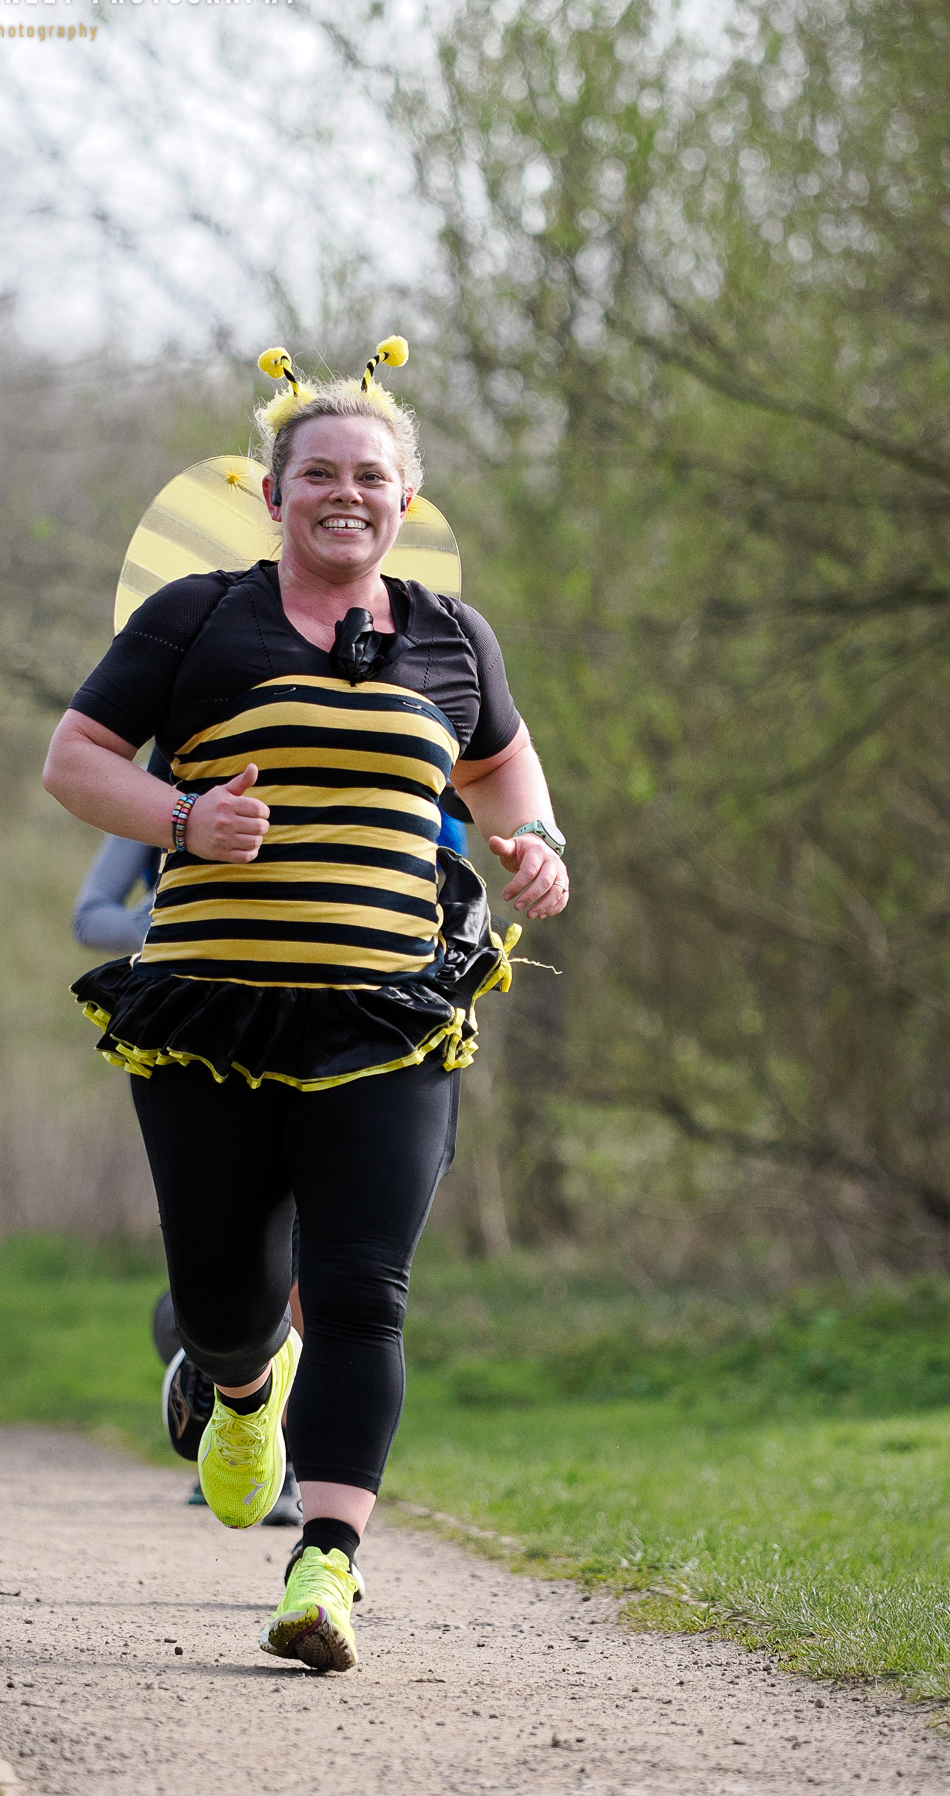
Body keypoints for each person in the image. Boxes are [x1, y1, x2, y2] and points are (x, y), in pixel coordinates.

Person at [44, 338, 567, 1670]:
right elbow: (76, 758)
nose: (347, 493)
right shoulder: (196, 621)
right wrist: (179, 815)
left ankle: (325, 1567)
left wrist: (535, 845)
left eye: (373, 477)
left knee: (360, 1293)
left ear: (406, 500)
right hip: (210, 1014)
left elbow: (504, 767)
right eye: (319, 474)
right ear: (272, 497)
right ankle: (232, 1390)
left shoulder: (454, 638)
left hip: (387, 1014)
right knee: (226, 1291)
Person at [72, 814, 304, 1522]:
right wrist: (170, 919)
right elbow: (91, 917)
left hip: (347, 1036)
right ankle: (207, 1360)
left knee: (316, 1259)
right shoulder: (169, 789)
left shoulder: (390, 761)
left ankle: (284, 1464)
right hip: (196, 1039)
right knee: (225, 1258)